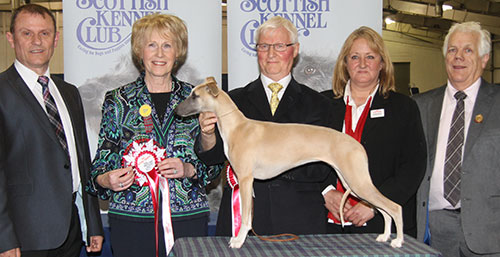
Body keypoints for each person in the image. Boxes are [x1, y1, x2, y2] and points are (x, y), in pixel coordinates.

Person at [85, 13, 222, 257]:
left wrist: (189, 169)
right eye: (152, 45)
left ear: (178, 52)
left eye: (167, 45)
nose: (159, 54)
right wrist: (107, 179)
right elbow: (100, 165)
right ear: (139, 51)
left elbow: (213, 167)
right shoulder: (118, 100)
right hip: (131, 221)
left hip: (187, 219)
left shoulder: (198, 98)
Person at [196, 16, 336, 236]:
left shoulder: (320, 105)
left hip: (299, 220)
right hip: (242, 220)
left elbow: (321, 167)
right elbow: (212, 159)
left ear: (295, 50)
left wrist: (270, 164)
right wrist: (207, 134)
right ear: (257, 50)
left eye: (280, 46)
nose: (271, 54)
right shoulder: (232, 101)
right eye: (264, 46)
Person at [0, 4, 104, 257]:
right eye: (27, 33)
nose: (37, 41)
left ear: (56, 39)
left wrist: (92, 223)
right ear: (10, 38)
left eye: (44, 33)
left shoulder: (69, 92)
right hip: (25, 237)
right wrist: (3, 238)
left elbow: (81, 161)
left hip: (71, 230)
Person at [321, 26, 427, 237]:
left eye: (370, 56)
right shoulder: (321, 105)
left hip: (381, 224)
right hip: (327, 225)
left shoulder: (403, 107)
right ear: (345, 64)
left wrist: (375, 205)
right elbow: (305, 157)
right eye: (354, 57)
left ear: (382, 64)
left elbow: (413, 167)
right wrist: (325, 192)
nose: (362, 64)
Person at [414, 21, 500, 257]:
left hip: (490, 230)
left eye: (467, 50)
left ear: (484, 59)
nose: (458, 57)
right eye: (452, 50)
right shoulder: (420, 106)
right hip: (434, 231)